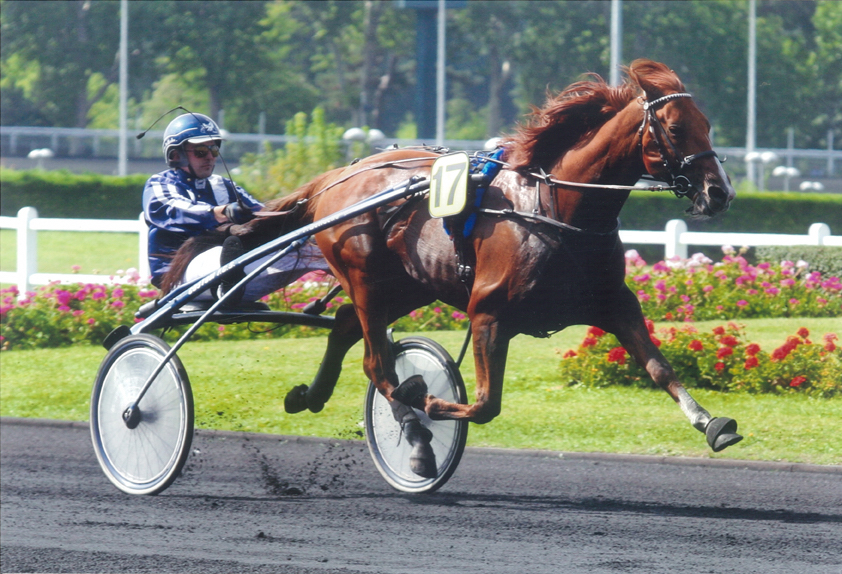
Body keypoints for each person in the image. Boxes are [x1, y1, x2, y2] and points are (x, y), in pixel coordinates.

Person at [142, 112, 329, 302]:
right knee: (229, 250)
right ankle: (228, 282)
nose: (210, 157)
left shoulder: (222, 185)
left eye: (214, 150)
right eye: (201, 152)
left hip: (227, 265)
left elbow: (262, 215)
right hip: (178, 274)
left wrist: (301, 213)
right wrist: (222, 212)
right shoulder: (160, 183)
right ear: (176, 155)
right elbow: (174, 210)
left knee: (313, 248)